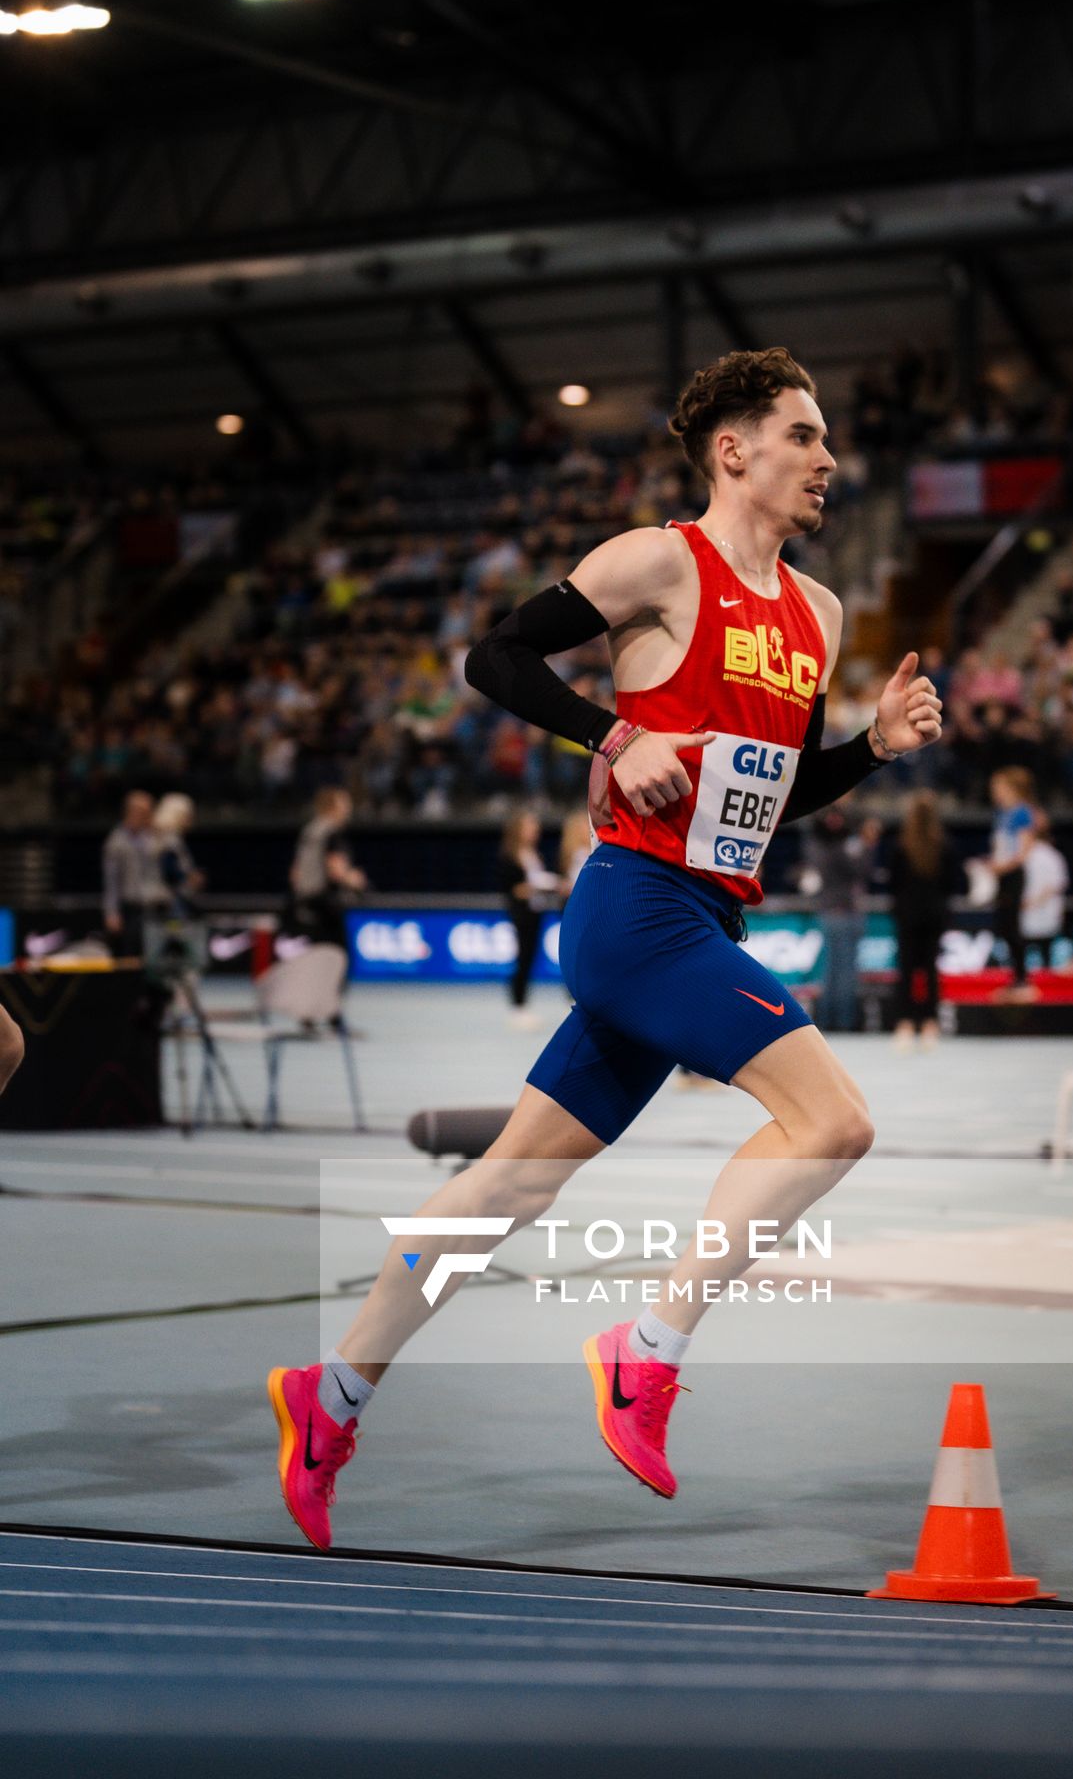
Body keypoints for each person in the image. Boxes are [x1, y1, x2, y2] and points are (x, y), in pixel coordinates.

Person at [267, 346, 942, 1549]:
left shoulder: (818, 615)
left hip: (707, 912)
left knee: (509, 1184)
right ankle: (646, 1351)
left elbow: (772, 797)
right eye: (803, 435)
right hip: (634, 907)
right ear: (733, 450)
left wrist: (872, 751)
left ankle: (332, 1393)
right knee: (831, 1120)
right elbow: (495, 656)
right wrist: (612, 731)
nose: (827, 460)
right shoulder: (655, 563)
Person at [888, 790, 958, 1049]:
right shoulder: (945, 845)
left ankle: (905, 1024)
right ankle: (930, 1024)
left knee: (906, 971)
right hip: (934, 916)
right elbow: (952, 884)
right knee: (929, 970)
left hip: (907, 915)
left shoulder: (901, 846)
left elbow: (893, 884)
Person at [800, 804, 879, 1033]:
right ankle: (841, 1023)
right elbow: (862, 870)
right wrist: (868, 845)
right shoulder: (844, 846)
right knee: (840, 971)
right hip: (842, 912)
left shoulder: (820, 846)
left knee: (836, 971)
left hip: (837, 912)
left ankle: (830, 1023)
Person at [497, 808, 559, 1029]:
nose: (535, 831)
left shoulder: (534, 854)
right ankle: (517, 1007)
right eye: (530, 826)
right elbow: (512, 888)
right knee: (522, 959)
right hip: (521, 915)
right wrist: (535, 886)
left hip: (535, 913)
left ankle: (522, 1005)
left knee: (529, 958)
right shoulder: (510, 855)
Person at [286, 787, 367, 949]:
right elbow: (336, 871)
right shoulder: (332, 832)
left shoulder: (309, 832)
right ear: (333, 807)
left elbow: (295, 874)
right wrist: (355, 880)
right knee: (338, 958)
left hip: (305, 904)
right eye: (344, 804)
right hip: (327, 905)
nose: (348, 809)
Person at [988, 766, 1036, 1000]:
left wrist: (1002, 867)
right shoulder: (1002, 814)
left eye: (997, 787)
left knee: (1012, 926)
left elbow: (1023, 851)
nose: (994, 792)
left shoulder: (1022, 813)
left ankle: (1022, 978)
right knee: (1004, 926)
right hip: (1002, 874)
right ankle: (1015, 977)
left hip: (1013, 876)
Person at [101, 790, 166, 955]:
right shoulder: (116, 841)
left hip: (155, 908)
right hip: (131, 910)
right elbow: (111, 881)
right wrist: (112, 912)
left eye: (149, 811)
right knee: (131, 959)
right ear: (130, 812)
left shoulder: (154, 838)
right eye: (143, 812)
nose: (147, 816)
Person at [1019, 810, 1070, 975]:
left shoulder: (1051, 856)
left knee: (1044, 959)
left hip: (1043, 918)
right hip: (1029, 919)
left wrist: (1033, 902)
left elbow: (1056, 885)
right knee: (1030, 959)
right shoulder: (1023, 857)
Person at [152, 793, 203, 920]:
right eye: (187, 815)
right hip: (172, 899)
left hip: (171, 898)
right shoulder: (170, 839)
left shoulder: (166, 837)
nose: (190, 819)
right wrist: (189, 877)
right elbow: (168, 870)